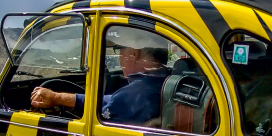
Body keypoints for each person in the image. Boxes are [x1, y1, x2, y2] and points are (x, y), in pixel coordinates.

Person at [30, 29, 170, 126]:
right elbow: (111, 101)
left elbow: (96, 120)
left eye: (119, 49)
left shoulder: (136, 93)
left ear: (134, 53)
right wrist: (57, 98)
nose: (120, 57)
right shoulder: (162, 80)